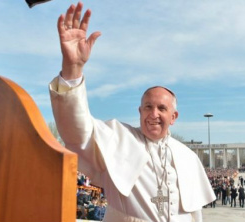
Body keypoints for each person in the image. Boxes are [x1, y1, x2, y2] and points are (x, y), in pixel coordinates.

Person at [49, 2, 215, 222]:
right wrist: (73, 69)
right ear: (140, 111)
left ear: (173, 117)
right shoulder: (119, 138)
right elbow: (76, 131)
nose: (153, 114)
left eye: (162, 108)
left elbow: (195, 215)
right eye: (148, 107)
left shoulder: (188, 157)